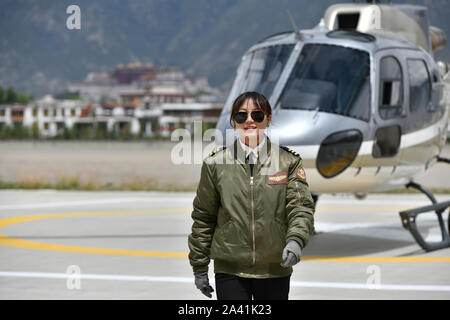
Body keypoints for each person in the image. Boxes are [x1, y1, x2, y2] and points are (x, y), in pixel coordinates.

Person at [188, 91, 315, 300]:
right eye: (241, 116)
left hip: (275, 268)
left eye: (257, 115)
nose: (249, 121)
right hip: (230, 270)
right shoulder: (215, 164)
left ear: (268, 119)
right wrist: (199, 266)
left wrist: (295, 240)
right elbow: (203, 217)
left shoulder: (288, 162)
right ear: (233, 121)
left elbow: (300, 207)